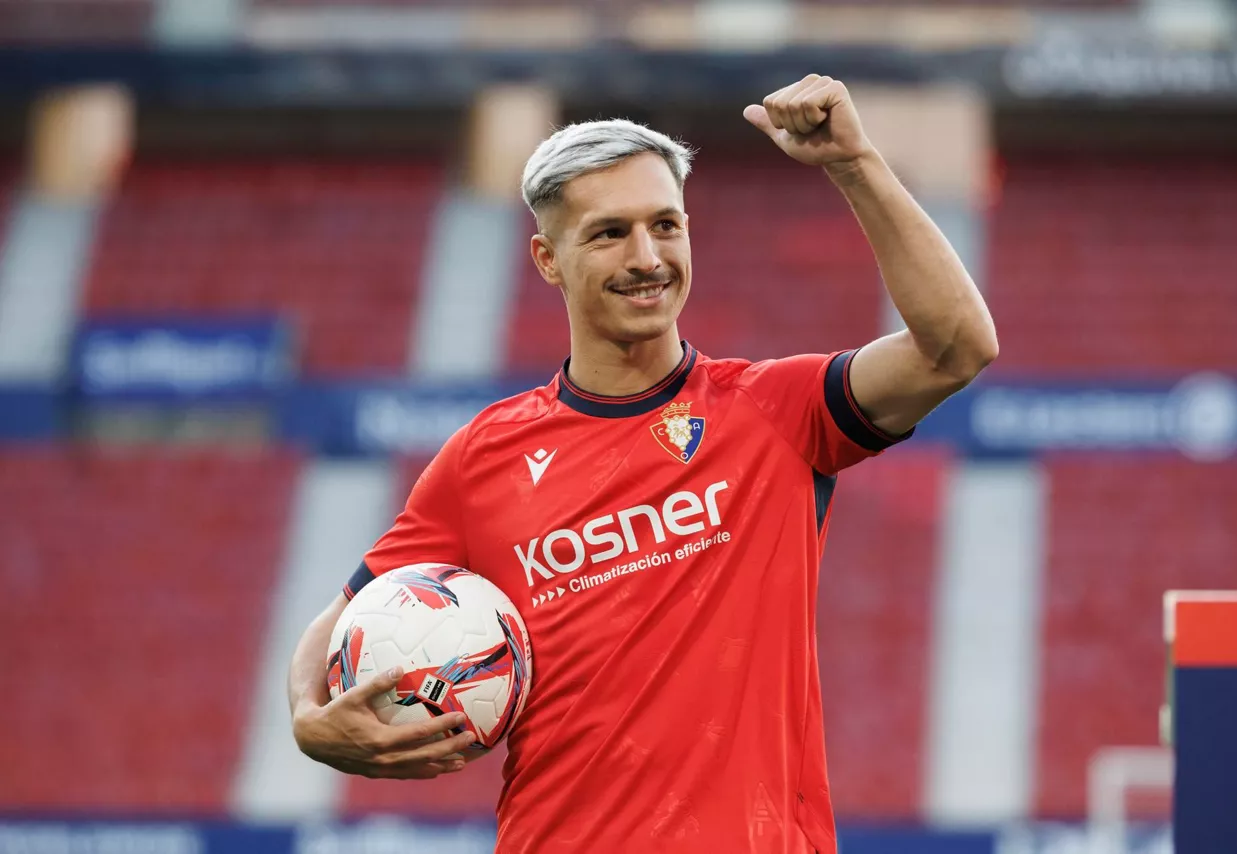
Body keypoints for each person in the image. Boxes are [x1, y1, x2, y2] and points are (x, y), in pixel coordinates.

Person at [288, 74, 997, 853]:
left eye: (665, 225)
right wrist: (309, 723)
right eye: (609, 233)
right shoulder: (483, 457)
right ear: (547, 259)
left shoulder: (775, 410)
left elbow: (956, 347)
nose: (647, 257)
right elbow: (340, 623)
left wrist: (853, 162)